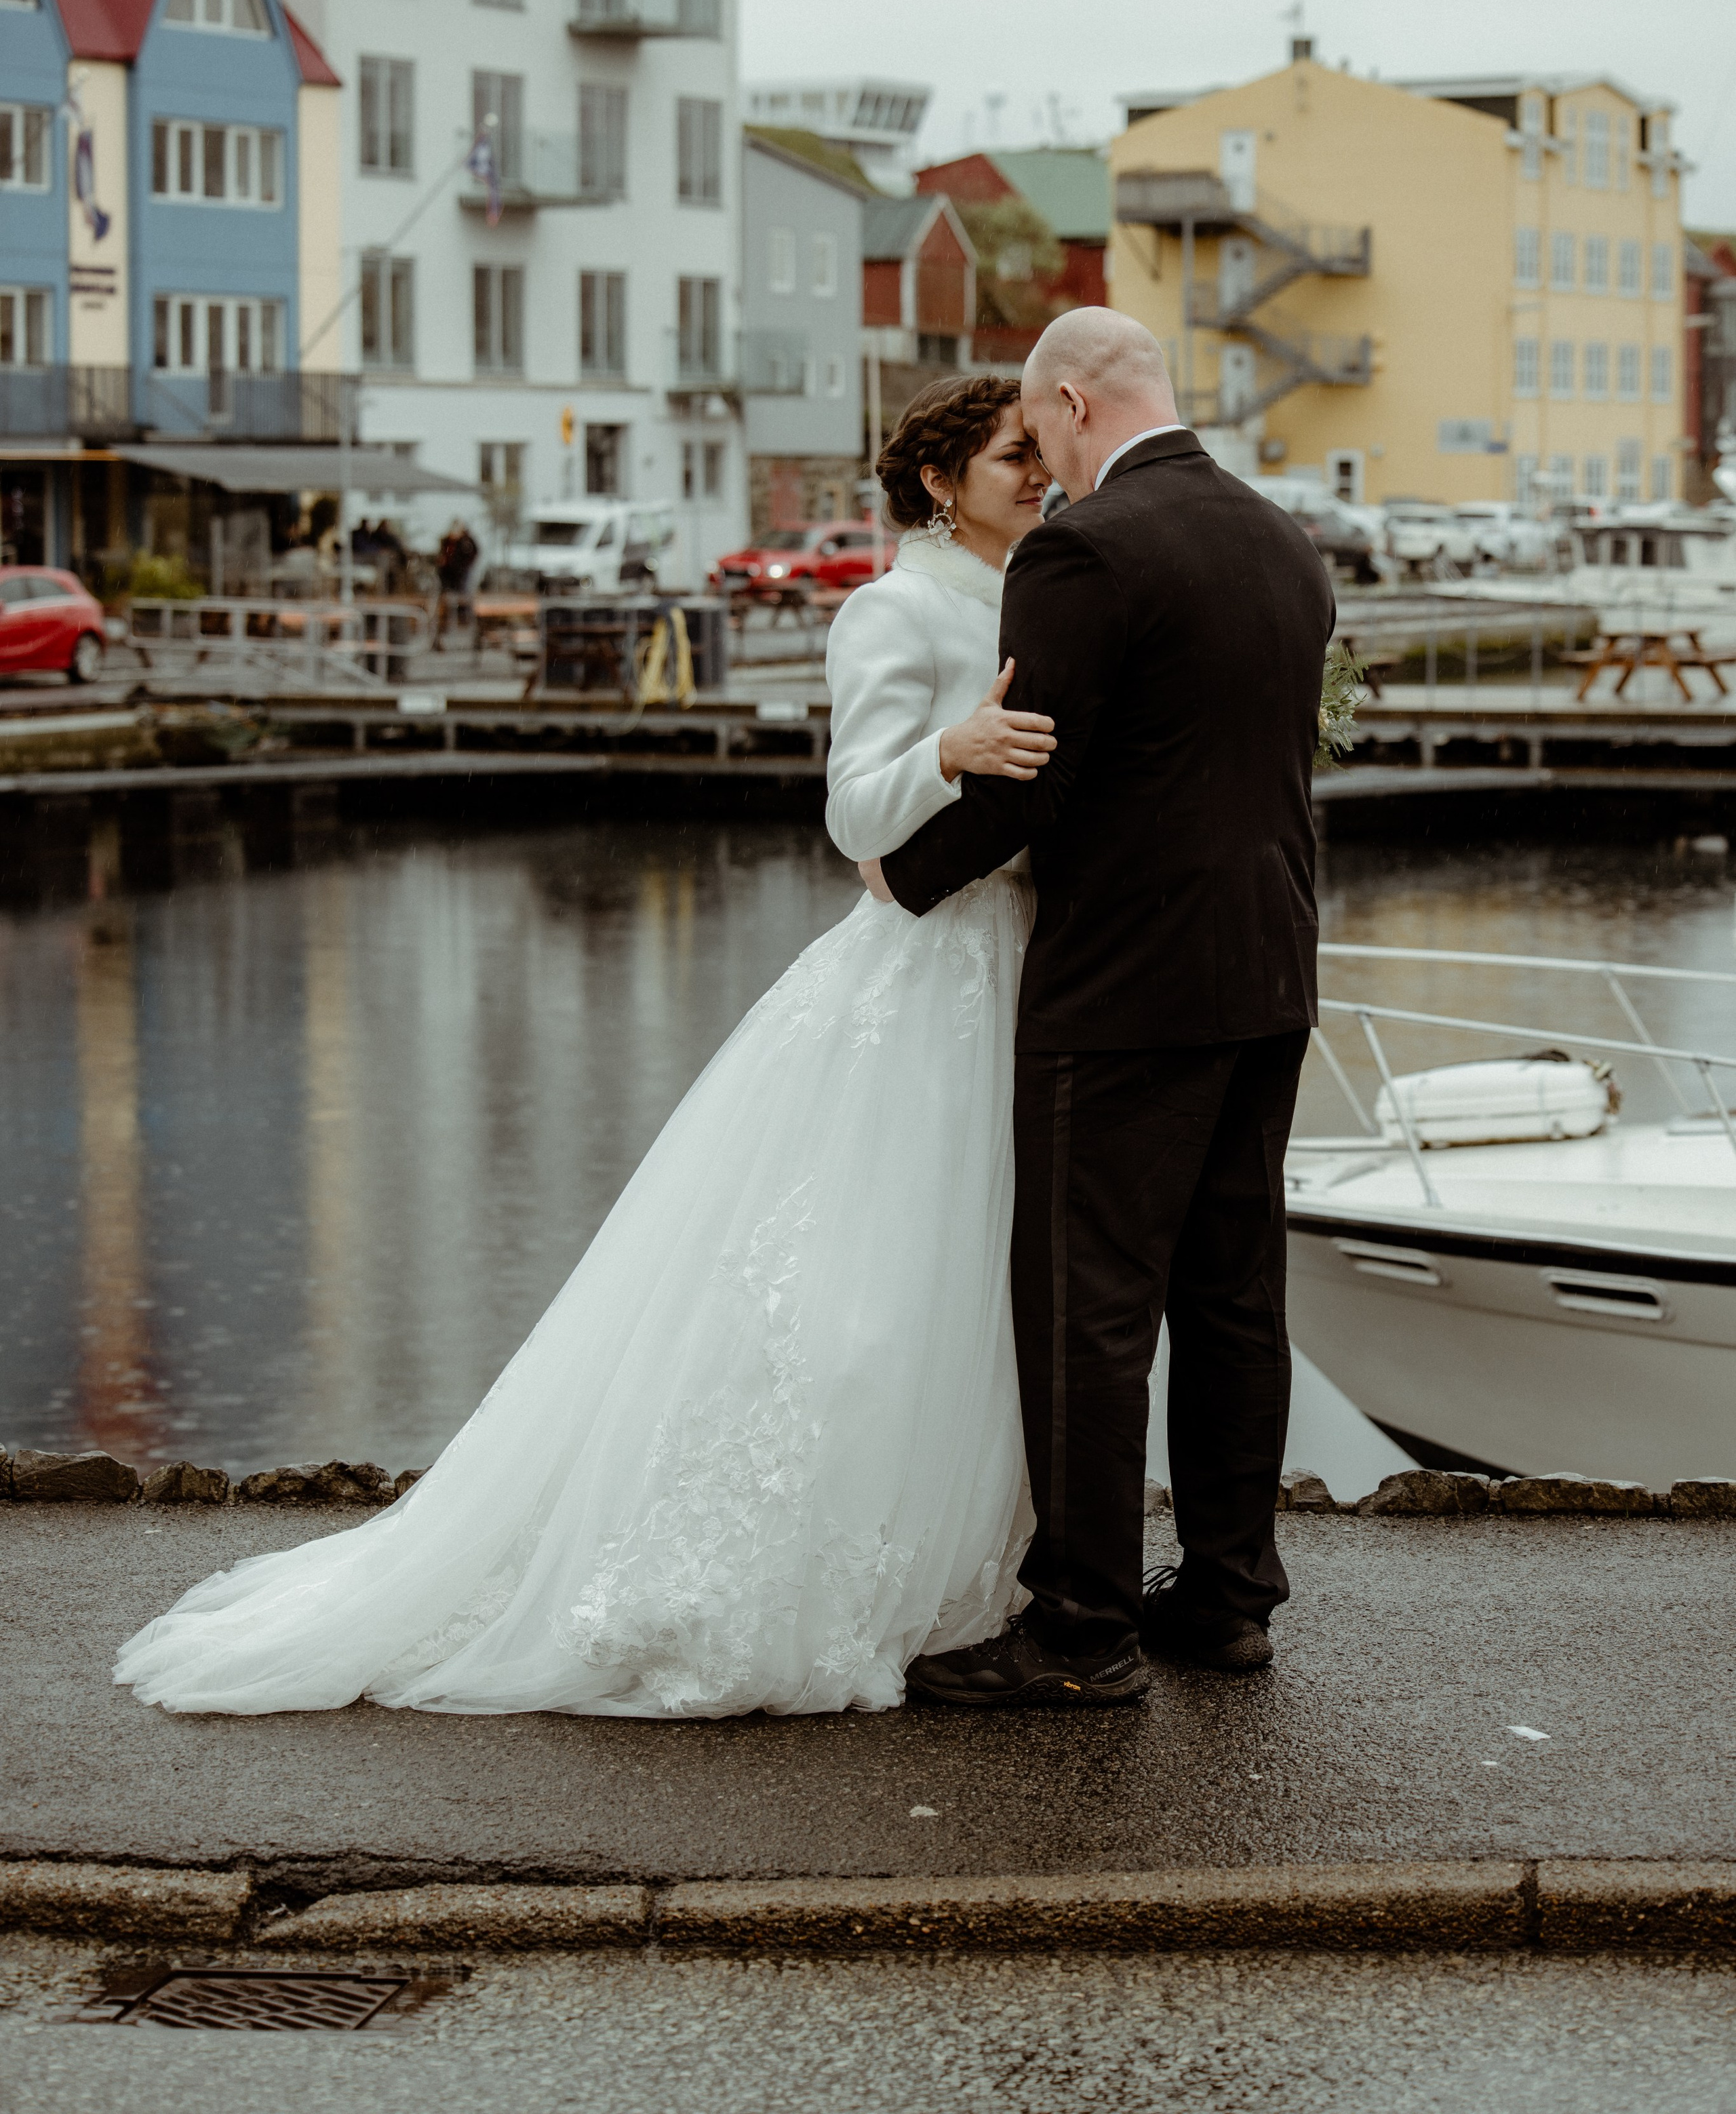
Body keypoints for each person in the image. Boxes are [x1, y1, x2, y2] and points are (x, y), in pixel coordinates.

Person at [113, 374, 1061, 1720]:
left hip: (1014, 964)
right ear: (937, 482)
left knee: (968, 1278)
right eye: (1015, 454)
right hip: (923, 980)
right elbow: (855, 815)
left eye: (1040, 452)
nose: (1038, 472)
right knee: (868, 1287)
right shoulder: (891, 609)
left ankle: (966, 1565)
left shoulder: (1028, 596)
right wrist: (950, 751)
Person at [862, 307, 1335, 1704]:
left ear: (1071, 402)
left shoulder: (1086, 549)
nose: (1046, 467)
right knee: (1233, 1293)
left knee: (1089, 1306)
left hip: (1125, 982)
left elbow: (1038, 774)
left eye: (1041, 430)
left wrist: (903, 875)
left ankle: (1079, 1629)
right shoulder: (1281, 539)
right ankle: (1230, 1597)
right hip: (1268, 968)